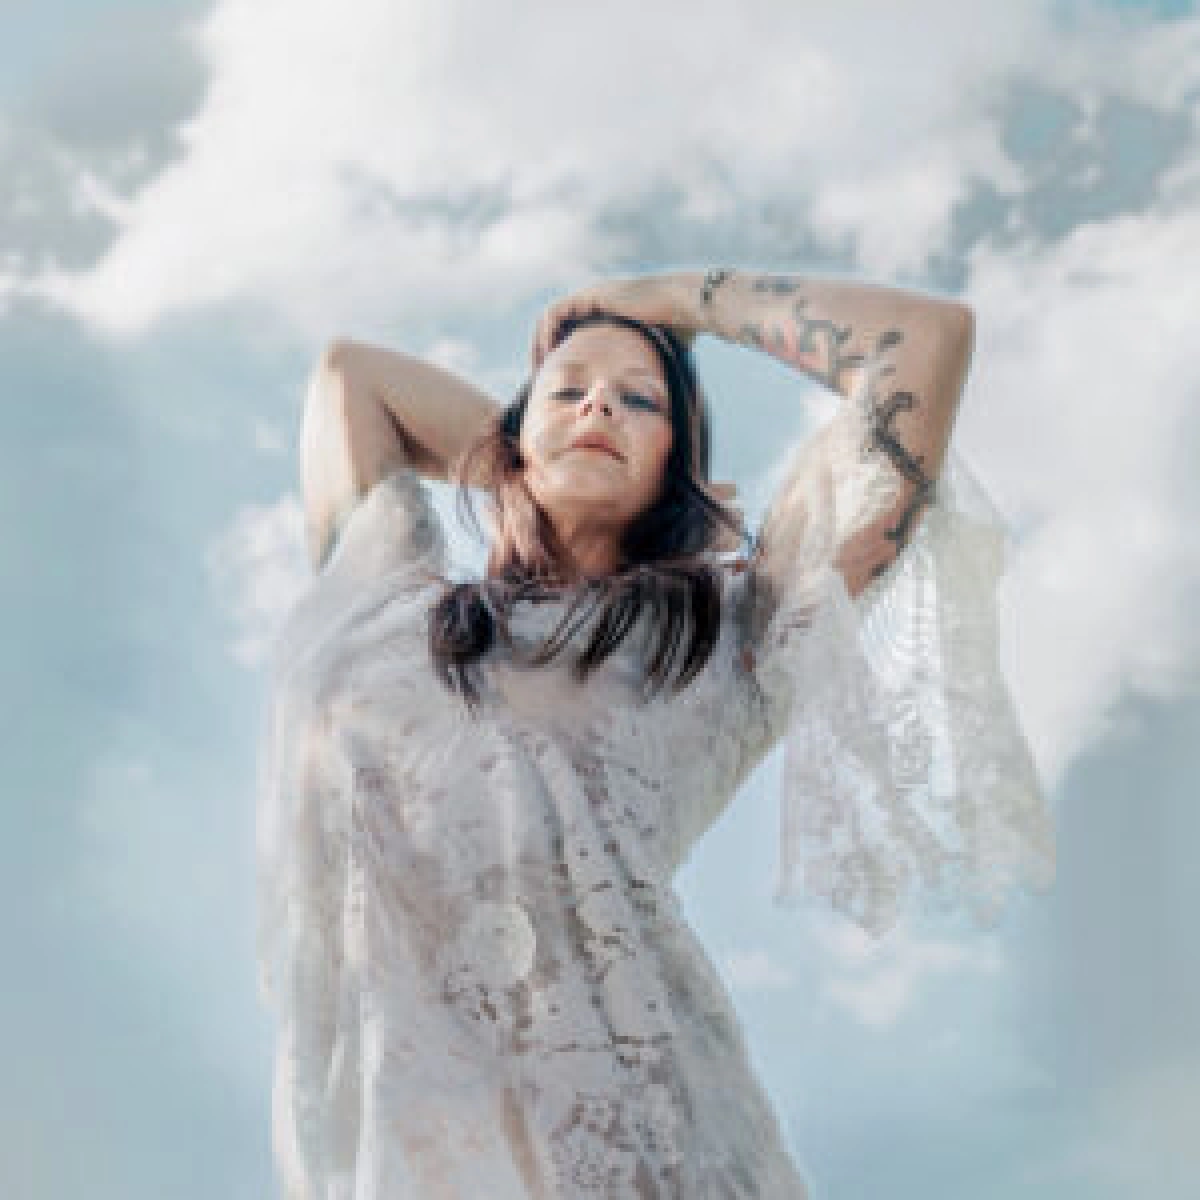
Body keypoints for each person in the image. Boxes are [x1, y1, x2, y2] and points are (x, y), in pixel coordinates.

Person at [256, 267, 1055, 1198]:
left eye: (640, 400)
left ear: (680, 464)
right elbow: (351, 378)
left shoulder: (730, 630)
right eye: (569, 391)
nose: (600, 403)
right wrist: (532, 455)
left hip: (648, 1151)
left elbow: (926, 342)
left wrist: (673, 303)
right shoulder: (385, 600)